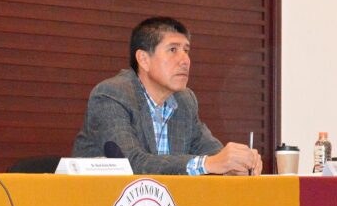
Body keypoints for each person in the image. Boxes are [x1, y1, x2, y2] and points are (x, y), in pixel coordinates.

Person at [72, 16, 261, 175]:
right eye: (173, 50)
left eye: (186, 50)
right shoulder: (112, 95)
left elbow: (213, 153)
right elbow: (130, 164)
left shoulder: (184, 101)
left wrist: (236, 164)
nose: (185, 60)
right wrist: (207, 164)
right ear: (144, 59)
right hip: (101, 204)